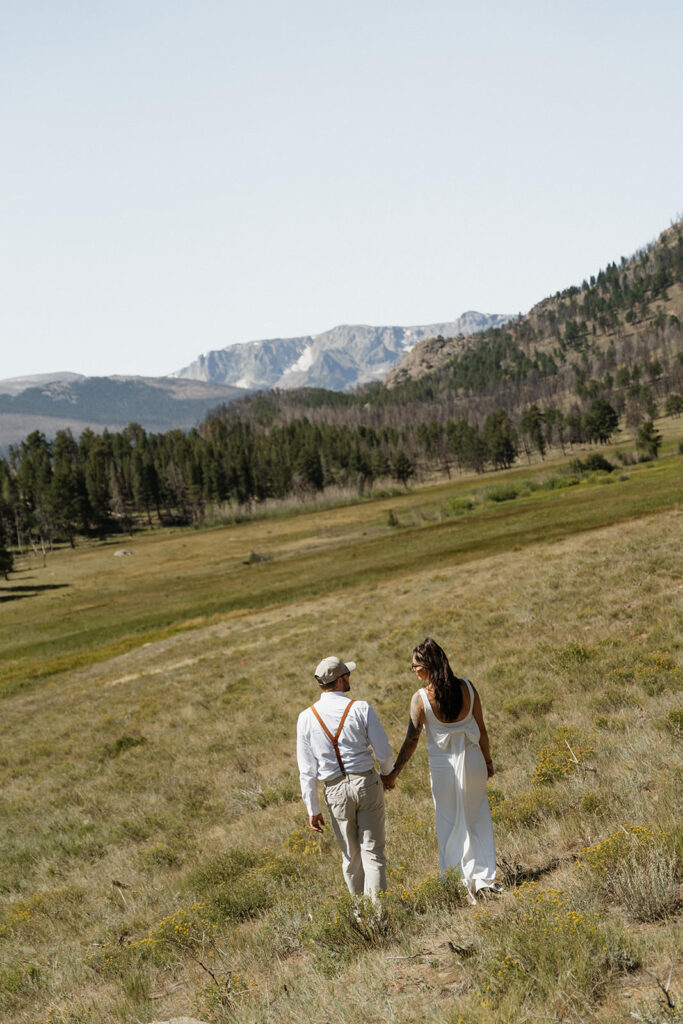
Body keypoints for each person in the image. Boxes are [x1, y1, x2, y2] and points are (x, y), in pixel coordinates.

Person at [382, 637, 499, 903]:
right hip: (473, 760)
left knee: (448, 823)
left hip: (443, 768)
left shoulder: (421, 699)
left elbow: (411, 740)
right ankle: (482, 878)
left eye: (414, 666)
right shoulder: (468, 688)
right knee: (477, 818)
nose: (413, 671)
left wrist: (393, 774)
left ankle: (458, 883)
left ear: (427, 666)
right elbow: (481, 728)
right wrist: (488, 761)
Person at [296, 655, 394, 899]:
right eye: (347, 675)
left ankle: (361, 914)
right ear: (340, 681)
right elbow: (383, 750)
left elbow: (306, 770)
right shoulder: (360, 708)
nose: (350, 678)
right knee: (373, 853)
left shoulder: (306, 718)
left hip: (335, 790)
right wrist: (387, 775)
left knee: (350, 857)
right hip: (366, 783)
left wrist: (313, 808)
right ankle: (379, 915)